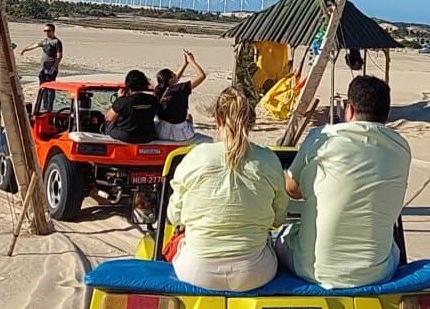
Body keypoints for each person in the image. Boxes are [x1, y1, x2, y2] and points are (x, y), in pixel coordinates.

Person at [275, 75, 410, 289]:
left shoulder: (322, 137)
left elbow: (291, 188)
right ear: (386, 114)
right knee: (390, 247)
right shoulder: (401, 148)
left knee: (281, 237)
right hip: (377, 273)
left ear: (349, 110)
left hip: (315, 270)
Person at [167, 86, 288, 291]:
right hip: (255, 272)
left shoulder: (195, 157)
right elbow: (278, 218)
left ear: (218, 118)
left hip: (196, 272)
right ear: (251, 121)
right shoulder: (268, 160)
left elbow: (174, 216)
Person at [155, 50, 207, 142]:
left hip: (162, 130)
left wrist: (185, 64)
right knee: (189, 117)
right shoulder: (179, 89)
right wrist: (192, 61)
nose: (176, 75)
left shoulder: (159, 90)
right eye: (173, 74)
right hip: (179, 134)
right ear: (170, 80)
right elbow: (201, 76)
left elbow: (174, 80)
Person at [104, 70, 158, 143]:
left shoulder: (123, 101)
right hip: (147, 136)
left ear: (128, 85)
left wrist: (119, 99)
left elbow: (109, 117)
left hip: (125, 136)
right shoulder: (153, 100)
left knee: (107, 126)